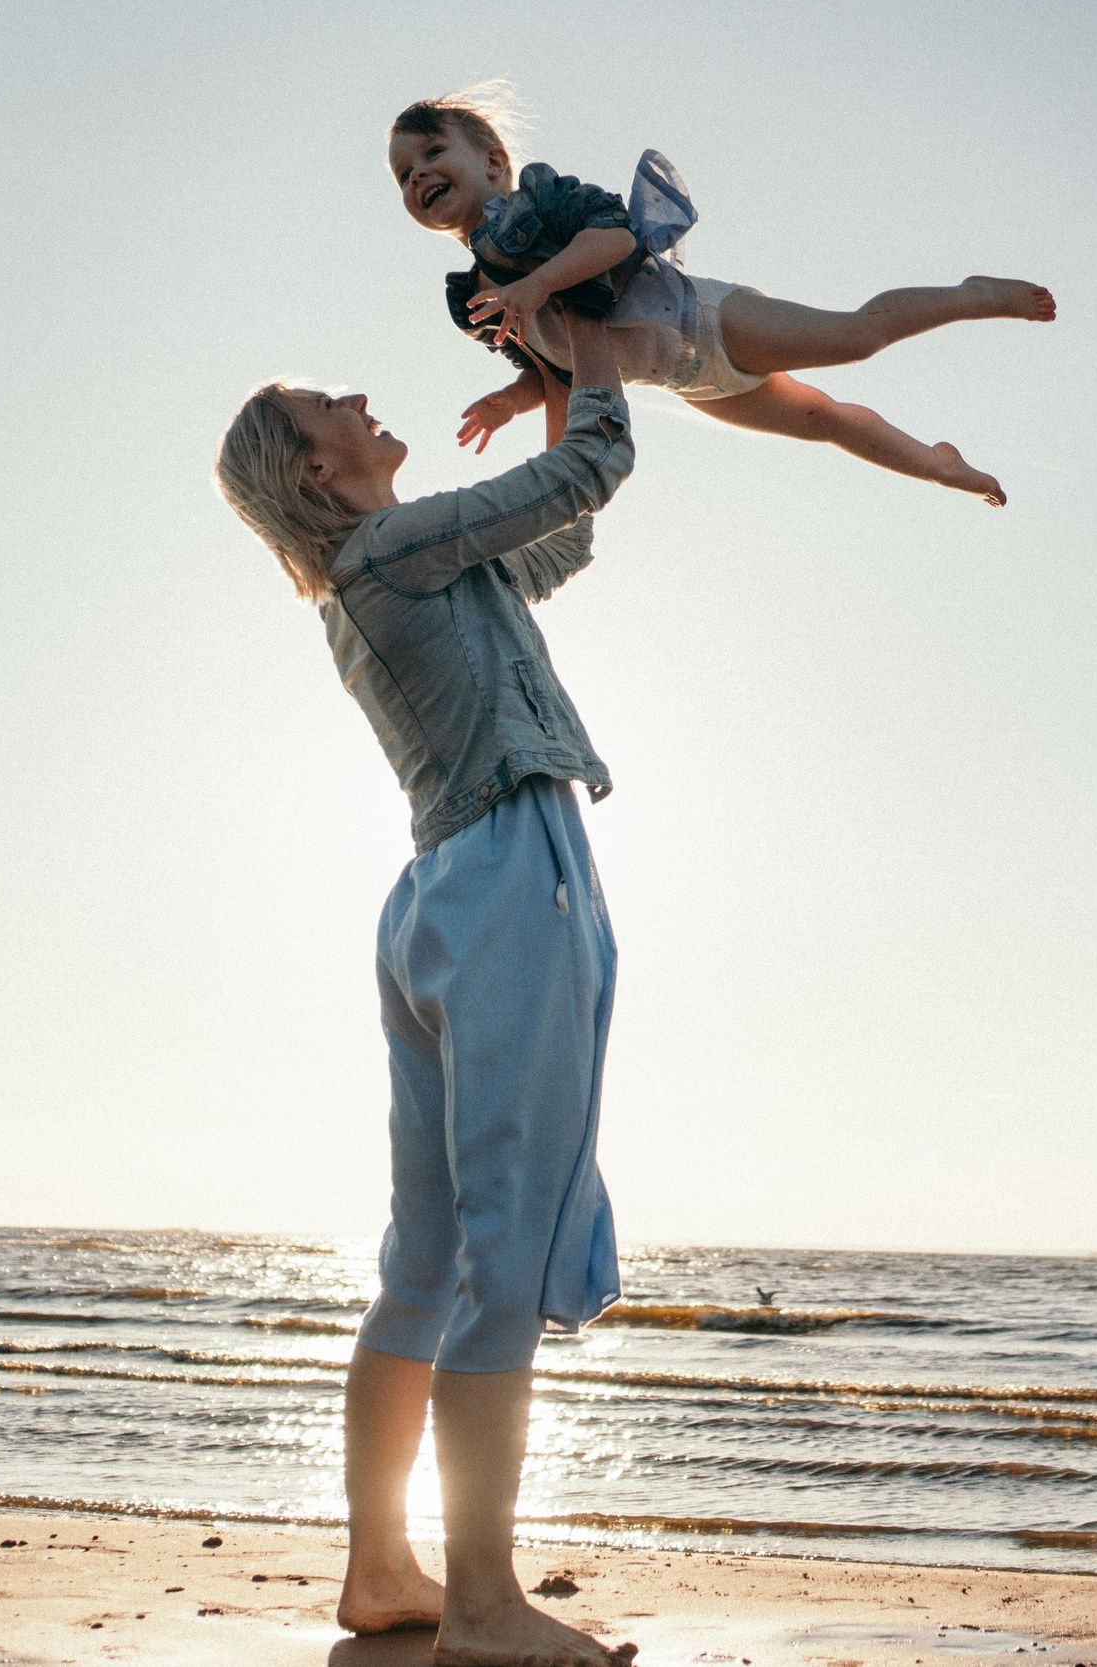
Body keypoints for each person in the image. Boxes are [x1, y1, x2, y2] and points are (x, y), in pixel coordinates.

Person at [213, 308, 637, 1667]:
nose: (360, 393)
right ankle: (485, 1605)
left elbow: (560, 535)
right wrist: (611, 354)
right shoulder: (393, 547)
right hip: (510, 873)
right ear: (319, 474)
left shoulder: (400, 566)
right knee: (498, 1246)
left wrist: (555, 382)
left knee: (425, 1259)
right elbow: (587, 477)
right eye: (330, 400)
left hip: (435, 897)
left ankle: (382, 1571)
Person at [389, 84, 1055, 505]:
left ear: (493, 162)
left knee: (854, 338)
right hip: (691, 380)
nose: (418, 175)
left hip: (703, 317)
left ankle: (973, 294)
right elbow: (550, 366)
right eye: (403, 175)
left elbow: (616, 238)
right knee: (823, 420)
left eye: (431, 153)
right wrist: (512, 399)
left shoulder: (540, 198)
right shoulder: (471, 297)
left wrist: (536, 283)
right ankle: (938, 466)